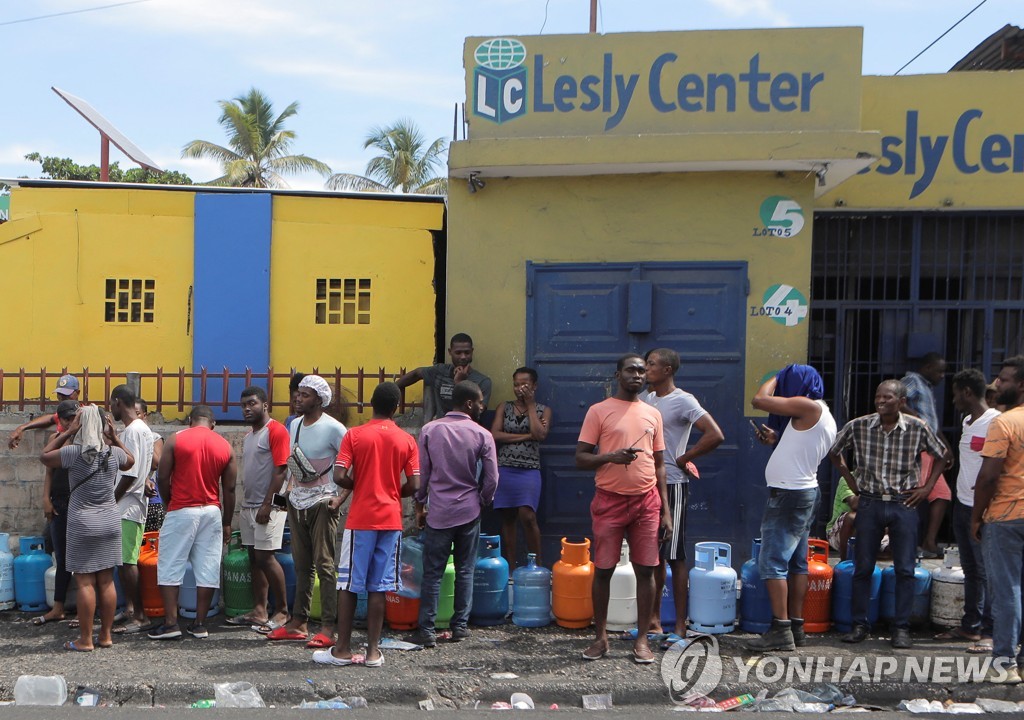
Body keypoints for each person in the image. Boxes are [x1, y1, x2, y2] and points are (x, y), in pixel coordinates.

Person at [830, 379, 949, 649]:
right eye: (878, 397)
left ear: (901, 401)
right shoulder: (858, 425)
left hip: (903, 503)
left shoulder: (917, 428)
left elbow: (943, 456)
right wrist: (851, 481)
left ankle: (901, 628)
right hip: (870, 503)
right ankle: (859, 624)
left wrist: (927, 488)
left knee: (905, 568)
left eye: (888, 398)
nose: (881, 402)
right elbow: (835, 453)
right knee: (863, 567)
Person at [314, 382, 419, 667]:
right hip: (391, 520)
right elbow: (416, 484)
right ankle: (373, 652)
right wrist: (394, 492)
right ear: (396, 408)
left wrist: (359, 484)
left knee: (348, 584)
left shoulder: (355, 435)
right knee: (379, 586)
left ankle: (343, 649)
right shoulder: (406, 440)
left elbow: (338, 476)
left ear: (370, 403)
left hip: (361, 520)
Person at [575, 354, 671, 664]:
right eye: (631, 370)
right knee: (603, 570)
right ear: (618, 374)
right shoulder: (598, 411)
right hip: (609, 500)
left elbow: (660, 465)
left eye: (642, 371)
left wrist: (666, 511)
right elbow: (580, 457)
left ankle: (641, 640)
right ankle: (601, 637)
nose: (638, 375)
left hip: (646, 503)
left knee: (646, 570)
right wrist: (610, 457)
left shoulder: (652, 414)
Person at [747, 364, 837, 651]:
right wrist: (774, 440)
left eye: (787, 383)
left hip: (789, 495)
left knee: (771, 562)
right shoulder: (820, 413)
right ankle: (796, 626)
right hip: (802, 492)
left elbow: (759, 400)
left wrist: (775, 376)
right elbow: (798, 446)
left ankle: (780, 629)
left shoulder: (806, 405)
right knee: (797, 564)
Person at [641, 348, 723, 639]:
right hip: (646, 484)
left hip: (673, 485)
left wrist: (684, 457)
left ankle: (679, 625)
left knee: (674, 554)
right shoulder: (646, 399)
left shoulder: (683, 400)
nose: (645, 369)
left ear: (667, 370)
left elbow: (715, 434)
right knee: (653, 557)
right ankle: (653, 621)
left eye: (651, 365)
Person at [409, 381, 498, 648]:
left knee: (433, 572)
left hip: (438, 512)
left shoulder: (429, 430)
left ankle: (426, 630)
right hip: (469, 511)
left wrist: (420, 504)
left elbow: (422, 474)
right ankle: (460, 626)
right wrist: (482, 499)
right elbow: (492, 479)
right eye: (480, 402)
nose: (483, 406)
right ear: (469, 404)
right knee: (465, 570)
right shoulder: (483, 434)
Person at [39, 405, 135, 651]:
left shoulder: (73, 452)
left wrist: (69, 431)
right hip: (110, 521)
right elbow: (131, 462)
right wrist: (115, 439)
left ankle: (85, 640)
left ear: (81, 425)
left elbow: (45, 456)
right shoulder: (113, 453)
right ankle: (105, 636)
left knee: (84, 583)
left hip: (82, 522)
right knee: (105, 581)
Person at [268, 375, 348, 648]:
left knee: (325, 564)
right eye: (298, 393)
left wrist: (339, 499)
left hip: (323, 501)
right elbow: (293, 462)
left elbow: (355, 468)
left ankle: (328, 626)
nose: (297, 398)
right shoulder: (295, 425)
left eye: (304, 395)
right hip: (297, 500)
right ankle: (298, 622)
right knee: (302, 565)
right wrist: (285, 497)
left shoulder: (335, 429)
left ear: (319, 399)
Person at [148, 406, 236, 640]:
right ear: (213, 424)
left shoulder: (177, 439)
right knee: (207, 566)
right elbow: (229, 488)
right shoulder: (225, 446)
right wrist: (227, 521)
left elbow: (162, 477)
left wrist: (169, 503)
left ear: (190, 421)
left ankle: (170, 623)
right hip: (212, 512)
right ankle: (199, 624)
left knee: (170, 564)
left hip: (182, 509)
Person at [934, 369, 999, 651]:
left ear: (968, 393)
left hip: (983, 508)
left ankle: (990, 630)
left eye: (956, 393)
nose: (953, 400)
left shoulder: (995, 422)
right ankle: (970, 625)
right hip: (962, 504)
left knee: (985, 571)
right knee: (971, 569)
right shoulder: (967, 421)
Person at [971, 356, 1024, 683]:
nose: (996, 385)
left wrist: (976, 518)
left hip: (1006, 517)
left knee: (1007, 591)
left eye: (1004, 380)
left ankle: (1005, 664)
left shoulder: (1004, 423)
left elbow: (988, 477)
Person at [225, 386, 291, 633]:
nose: (246, 409)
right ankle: (260, 610)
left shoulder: (276, 430)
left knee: (266, 557)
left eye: (251, 403)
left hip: (271, 506)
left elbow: (281, 470)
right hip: (249, 506)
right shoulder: (249, 436)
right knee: (254, 558)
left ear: (264, 405)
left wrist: (268, 504)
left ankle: (283, 611)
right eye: (243, 405)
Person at [489, 367, 552, 569]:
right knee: (507, 518)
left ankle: (537, 565)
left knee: (528, 515)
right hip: (505, 468)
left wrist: (531, 406)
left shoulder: (543, 410)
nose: (519, 389)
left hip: (529, 470)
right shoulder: (504, 407)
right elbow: (495, 435)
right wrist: (526, 436)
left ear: (534, 386)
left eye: (524, 384)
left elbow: (540, 434)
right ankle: (510, 566)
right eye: (516, 384)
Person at [109, 385, 155, 635]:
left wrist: (111, 500)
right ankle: (131, 610)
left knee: (128, 562)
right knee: (124, 561)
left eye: (111, 404)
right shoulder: (137, 430)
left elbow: (131, 472)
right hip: (128, 503)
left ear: (118, 402)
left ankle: (140, 615)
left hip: (128, 505)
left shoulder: (134, 430)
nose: (111, 409)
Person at [31, 400, 81, 626]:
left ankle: (83, 610)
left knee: (81, 560)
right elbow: (49, 472)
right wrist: (45, 500)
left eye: (74, 417)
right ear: (59, 420)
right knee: (61, 558)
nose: (71, 422)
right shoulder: (55, 441)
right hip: (59, 503)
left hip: (80, 503)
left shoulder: (86, 441)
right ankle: (58, 607)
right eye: (66, 419)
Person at [901, 352, 952, 557]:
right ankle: (906, 544)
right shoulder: (913, 380)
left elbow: (933, 425)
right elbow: (897, 399)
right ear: (928, 367)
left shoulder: (928, 389)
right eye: (939, 371)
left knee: (942, 494)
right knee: (915, 494)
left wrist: (946, 447)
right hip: (917, 448)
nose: (942, 376)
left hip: (931, 450)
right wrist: (918, 419)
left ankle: (929, 542)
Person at [396, 333, 492, 420]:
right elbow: (416, 374)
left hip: (466, 429)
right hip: (441, 427)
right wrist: (393, 388)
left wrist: (460, 384)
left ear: (472, 351)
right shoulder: (440, 371)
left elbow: (479, 411)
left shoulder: (482, 381)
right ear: (450, 352)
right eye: (458, 353)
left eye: (467, 353)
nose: (463, 357)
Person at [8, 374, 80, 449]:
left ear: (78, 393)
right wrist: (21, 428)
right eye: (60, 394)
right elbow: (51, 418)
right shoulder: (62, 413)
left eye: (66, 394)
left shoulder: (85, 413)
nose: (62, 397)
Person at [136, 400, 166, 534]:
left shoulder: (154, 437)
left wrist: (145, 436)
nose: (134, 418)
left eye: (137, 414)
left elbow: (155, 463)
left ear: (144, 415)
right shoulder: (125, 436)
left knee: (150, 548)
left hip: (151, 501)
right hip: (132, 500)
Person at [825, 476, 859, 561]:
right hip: (837, 534)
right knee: (852, 517)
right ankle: (845, 560)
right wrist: (872, 490)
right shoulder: (847, 478)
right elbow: (854, 504)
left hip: (874, 531)